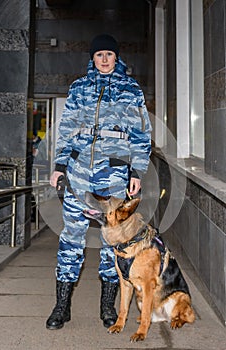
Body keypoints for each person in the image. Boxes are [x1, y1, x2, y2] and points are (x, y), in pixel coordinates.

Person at [46, 34, 152, 330]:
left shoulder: (131, 89)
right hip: (80, 172)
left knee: (111, 241)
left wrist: (137, 172)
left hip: (115, 174)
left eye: (109, 54)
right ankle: (62, 306)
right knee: (71, 238)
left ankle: (108, 307)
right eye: (99, 55)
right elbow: (67, 129)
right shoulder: (79, 88)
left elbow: (141, 135)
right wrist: (59, 166)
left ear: (116, 58)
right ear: (92, 59)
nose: (104, 59)